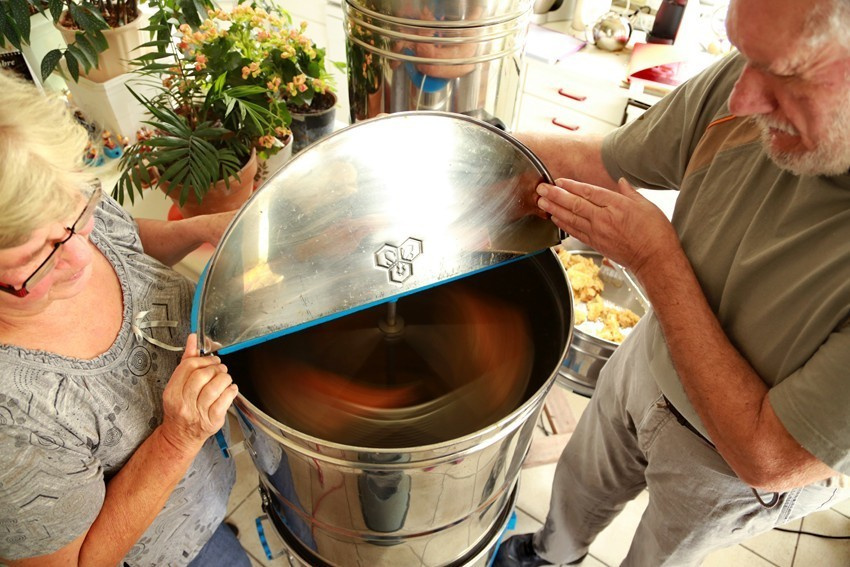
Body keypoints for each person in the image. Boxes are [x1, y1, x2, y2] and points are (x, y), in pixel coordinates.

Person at [496, 0, 850, 565]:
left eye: (784, 73)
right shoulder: (746, 81)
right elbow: (606, 161)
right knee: (578, 486)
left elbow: (766, 457)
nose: (741, 99)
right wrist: (477, 153)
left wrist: (655, 261)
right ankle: (549, 554)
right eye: (742, 55)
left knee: (658, 554)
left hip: (723, 464)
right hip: (646, 355)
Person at [0, 70, 250, 566]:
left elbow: (124, 237)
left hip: (204, 480)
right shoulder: (12, 426)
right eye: (38, 259)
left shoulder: (54, 198)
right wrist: (176, 439)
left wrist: (198, 229)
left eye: (78, 216)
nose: (82, 256)